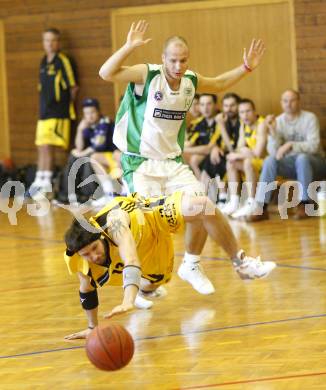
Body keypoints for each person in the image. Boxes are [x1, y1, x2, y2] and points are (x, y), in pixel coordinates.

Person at [98, 20, 266, 295]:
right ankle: (142, 284)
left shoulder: (190, 81)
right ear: (163, 58)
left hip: (173, 163)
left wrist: (246, 67)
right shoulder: (147, 75)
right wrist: (129, 46)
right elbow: (106, 73)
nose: (178, 66)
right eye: (173, 60)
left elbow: (220, 83)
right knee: (150, 229)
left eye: (183, 60)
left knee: (205, 206)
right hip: (139, 164)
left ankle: (214, 262)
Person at [63, 191, 276, 339]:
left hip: (152, 218)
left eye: (94, 248)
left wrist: (127, 300)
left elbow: (131, 260)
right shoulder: (78, 259)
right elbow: (87, 290)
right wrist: (92, 327)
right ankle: (144, 291)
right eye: (86, 254)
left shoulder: (114, 222)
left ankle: (240, 263)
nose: (93, 256)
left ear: (99, 236)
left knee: (204, 206)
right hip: (147, 254)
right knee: (156, 284)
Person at [246, 89, 326, 221]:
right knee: (270, 160)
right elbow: (274, 153)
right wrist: (273, 133)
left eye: (292, 100)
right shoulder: (278, 121)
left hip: (316, 163)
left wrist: (291, 145)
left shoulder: (310, 118)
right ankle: (261, 207)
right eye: (285, 101)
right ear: (281, 103)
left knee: (302, 158)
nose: (288, 104)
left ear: (299, 102)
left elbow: (314, 146)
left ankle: (305, 205)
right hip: (292, 165)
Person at [27, 28, 78, 200]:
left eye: (52, 40)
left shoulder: (63, 60)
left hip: (58, 112)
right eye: (46, 40)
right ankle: (38, 182)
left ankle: (46, 185)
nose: (49, 44)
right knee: (41, 146)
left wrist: (65, 106)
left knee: (48, 146)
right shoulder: (43, 61)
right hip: (44, 112)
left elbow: (73, 86)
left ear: (58, 42)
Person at [56, 98, 120, 204]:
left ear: (98, 111)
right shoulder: (88, 125)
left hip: (109, 155)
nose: (90, 116)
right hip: (95, 153)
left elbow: (98, 146)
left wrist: (80, 153)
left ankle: (90, 194)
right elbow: (79, 146)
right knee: (73, 157)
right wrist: (80, 130)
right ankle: (70, 193)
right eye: (86, 113)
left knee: (87, 157)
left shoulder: (105, 122)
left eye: (92, 112)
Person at [221, 99, 267, 218]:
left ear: (254, 111)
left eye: (248, 111)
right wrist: (244, 153)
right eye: (241, 112)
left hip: (267, 164)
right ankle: (234, 201)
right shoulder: (243, 124)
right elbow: (239, 148)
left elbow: (258, 152)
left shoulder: (262, 124)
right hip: (254, 162)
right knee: (231, 162)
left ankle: (252, 202)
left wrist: (243, 153)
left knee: (247, 162)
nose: (245, 115)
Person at [200, 93, 241, 206]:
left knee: (219, 158)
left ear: (238, 106)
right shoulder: (225, 120)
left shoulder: (241, 121)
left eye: (232, 105)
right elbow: (219, 144)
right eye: (226, 106)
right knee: (212, 157)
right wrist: (216, 148)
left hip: (240, 156)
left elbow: (232, 148)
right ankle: (203, 198)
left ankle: (222, 197)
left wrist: (221, 126)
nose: (229, 109)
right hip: (228, 155)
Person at [183, 94, 221, 179]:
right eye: (202, 104)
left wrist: (182, 149)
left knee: (194, 159)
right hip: (204, 153)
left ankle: (201, 189)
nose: (205, 108)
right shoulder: (197, 123)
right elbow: (190, 142)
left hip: (220, 153)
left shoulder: (220, 120)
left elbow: (209, 148)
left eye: (209, 104)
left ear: (215, 105)